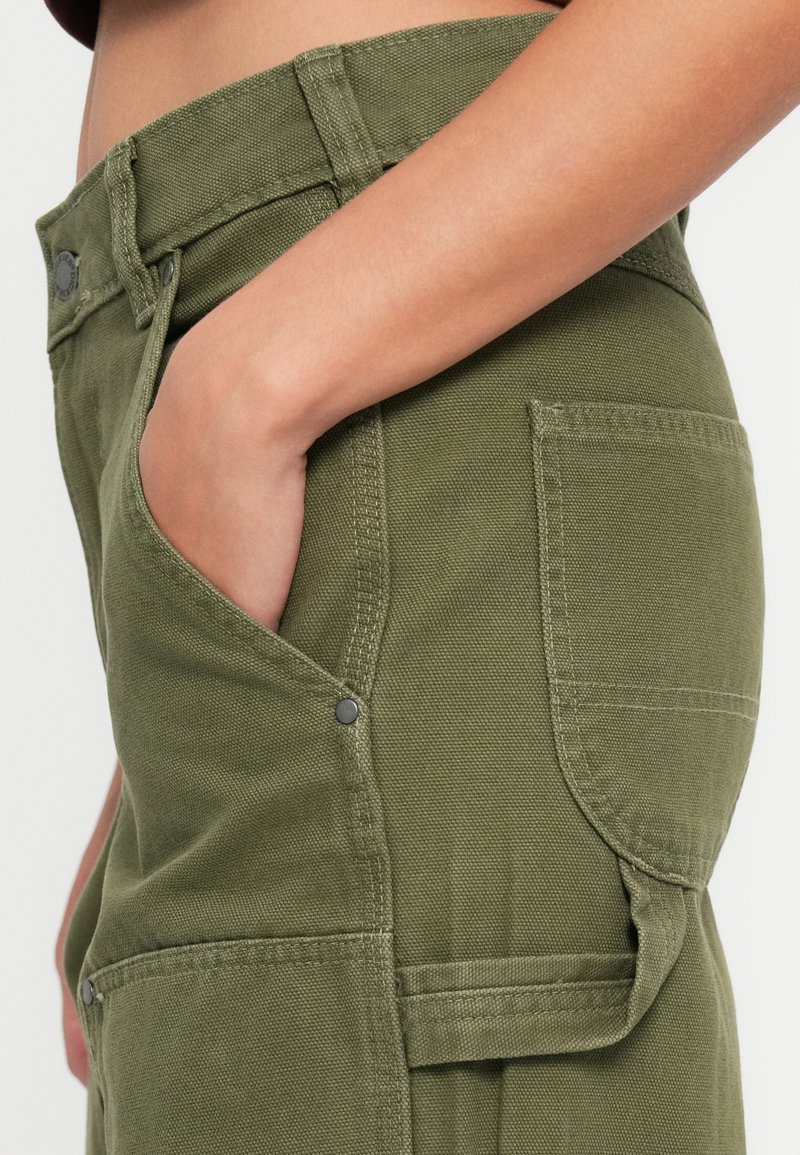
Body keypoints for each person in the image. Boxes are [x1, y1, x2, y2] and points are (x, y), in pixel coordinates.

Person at [35, 0, 795, 1151]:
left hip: (397, 319)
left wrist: (256, 384)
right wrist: (175, 709)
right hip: (318, 353)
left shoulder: (279, 367)